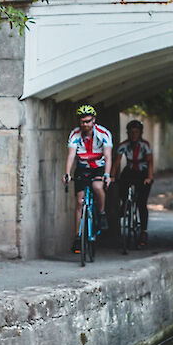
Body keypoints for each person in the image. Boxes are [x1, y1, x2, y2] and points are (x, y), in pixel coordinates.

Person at [63, 104, 113, 254]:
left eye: (88, 121)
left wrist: (107, 175)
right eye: (82, 121)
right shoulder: (74, 134)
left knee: (97, 187)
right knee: (79, 201)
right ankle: (78, 237)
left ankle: (102, 212)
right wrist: (67, 173)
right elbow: (71, 155)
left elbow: (108, 156)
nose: (85, 124)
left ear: (94, 120)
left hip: (98, 165)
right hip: (83, 166)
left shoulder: (104, 133)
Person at [114, 119, 154, 247]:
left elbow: (150, 162)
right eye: (131, 132)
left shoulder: (145, 145)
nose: (133, 135)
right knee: (120, 183)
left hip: (143, 173)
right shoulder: (124, 145)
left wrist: (149, 177)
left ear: (140, 133)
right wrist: (111, 176)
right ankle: (124, 204)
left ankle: (143, 231)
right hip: (130, 171)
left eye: (136, 132)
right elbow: (117, 162)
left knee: (142, 203)